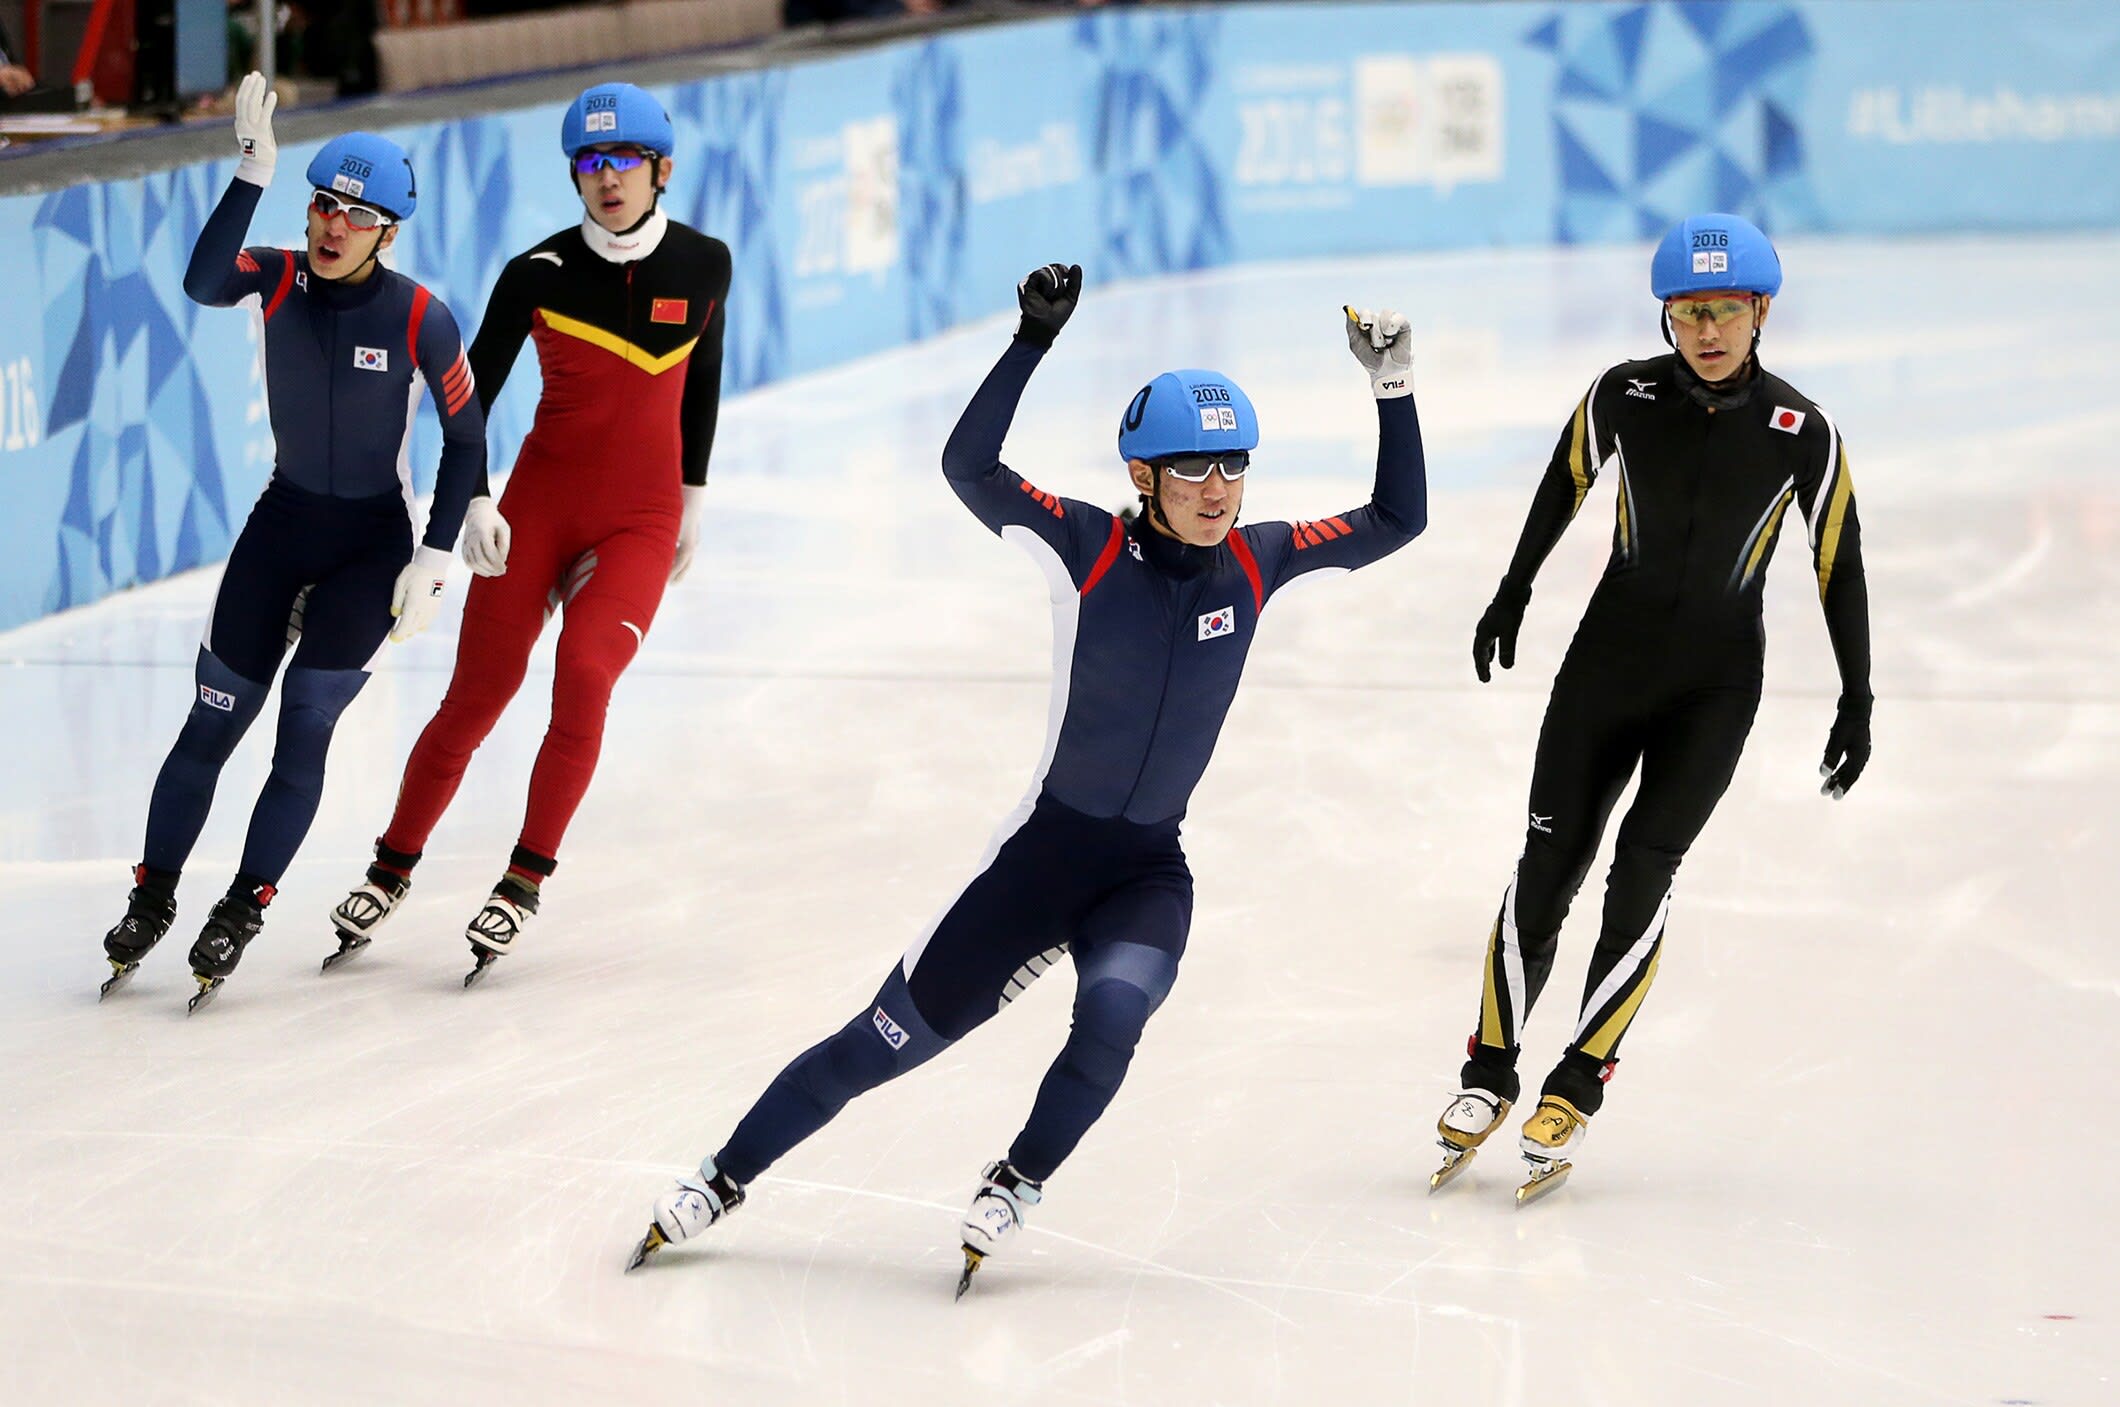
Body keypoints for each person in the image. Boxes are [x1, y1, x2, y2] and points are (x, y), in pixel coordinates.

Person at [625, 263, 1428, 1295]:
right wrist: (1029, 340)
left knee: (1112, 1017)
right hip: (1035, 865)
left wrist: (1392, 385)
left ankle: (1017, 1179)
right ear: (1142, 476)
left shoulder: (1260, 562)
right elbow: (970, 469)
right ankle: (722, 1177)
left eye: (1232, 465)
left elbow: (1395, 521)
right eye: (1190, 469)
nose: (1217, 489)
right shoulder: (1086, 548)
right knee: (872, 1051)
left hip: (1144, 872)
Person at [1428, 212, 1872, 1202]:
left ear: (1760, 311)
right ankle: (1487, 1070)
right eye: (1684, 313)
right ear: (1664, 316)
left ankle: (1576, 1080)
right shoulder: (1621, 395)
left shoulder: (1801, 430)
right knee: (1546, 866)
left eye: (1722, 311)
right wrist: (1513, 588)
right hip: (1603, 669)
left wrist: (1857, 695)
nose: (1704, 331)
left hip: (1712, 691)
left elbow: (1835, 561)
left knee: (1639, 873)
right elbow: (1561, 483)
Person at [324, 81, 730, 984]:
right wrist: (474, 500)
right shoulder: (536, 272)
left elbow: (703, 374)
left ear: (661, 170)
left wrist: (693, 495)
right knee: (477, 694)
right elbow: (466, 405)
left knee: (585, 673)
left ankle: (523, 877)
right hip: (538, 507)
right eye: (590, 163)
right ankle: (391, 867)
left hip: (640, 517)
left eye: (623, 159)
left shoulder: (706, 264)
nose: (606, 178)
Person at [99, 73, 486, 1011]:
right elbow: (199, 283)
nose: (331, 224)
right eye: (321, 203)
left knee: (303, 726)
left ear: (388, 232)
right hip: (283, 525)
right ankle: (152, 895)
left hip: (368, 546)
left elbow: (467, 439)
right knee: (209, 726)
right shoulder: (274, 275)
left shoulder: (419, 315)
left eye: (355, 215)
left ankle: (243, 903)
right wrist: (250, 174)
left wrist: (435, 554)